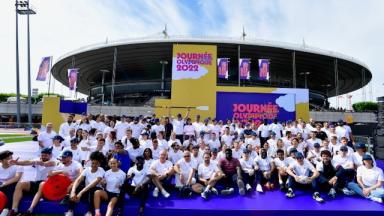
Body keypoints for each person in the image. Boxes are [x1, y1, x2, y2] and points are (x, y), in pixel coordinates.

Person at [23, 150, 82, 215]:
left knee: (72, 189)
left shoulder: (76, 164)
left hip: (70, 184)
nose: (63, 159)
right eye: (62, 157)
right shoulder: (60, 164)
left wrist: (72, 184)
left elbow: (81, 174)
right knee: (42, 184)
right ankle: (31, 208)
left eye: (65, 157)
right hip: (59, 185)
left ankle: (70, 211)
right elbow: (49, 174)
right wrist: (61, 171)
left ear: (70, 158)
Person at [9, 147, 56, 216]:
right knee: (20, 184)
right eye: (42, 155)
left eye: (46, 155)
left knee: (42, 184)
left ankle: (30, 210)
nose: (43, 157)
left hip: (48, 185)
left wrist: (39, 162)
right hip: (36, 183)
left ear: (50, 155)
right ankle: (14, 209)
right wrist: (16, 162)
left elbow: (47, 164)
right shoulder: (37, 159)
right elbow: (28, 162)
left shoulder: (54, 161)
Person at [66, 151, 105, 216]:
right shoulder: (87, 169)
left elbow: (94, 183)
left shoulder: (101, 170)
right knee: (74, 187)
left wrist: (81, 193)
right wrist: (73, 191)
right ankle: (70, 210)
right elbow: (78, 180)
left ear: (99, 164)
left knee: (92, 190)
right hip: (86, 191)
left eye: (96, 163)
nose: (94, 165)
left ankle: (89, 212)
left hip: (96, 192)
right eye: (93, 163)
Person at [0, 151, 22, 216]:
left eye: (11, 157)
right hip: (2, 185)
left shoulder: (18, 166)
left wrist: (3, 184)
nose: (10, 160)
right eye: (7, 158)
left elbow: (17, 178)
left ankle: (7, 209)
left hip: (13, 185)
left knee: (11, 188)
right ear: (1, 161)